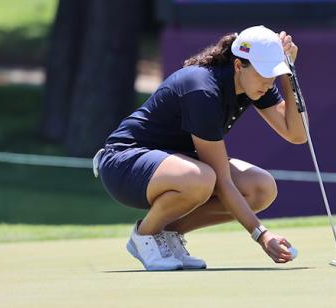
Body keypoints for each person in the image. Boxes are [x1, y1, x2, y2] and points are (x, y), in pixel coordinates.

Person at [93, 25, 307, 271]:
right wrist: (262, 235)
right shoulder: (202, 89)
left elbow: (297, 134)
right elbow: (222, 181)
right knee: (203, 178)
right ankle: (144, 235)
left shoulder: (255, 85)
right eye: (263, 73)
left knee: (261, 188)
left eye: (273, 74)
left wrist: (289, 74)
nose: (269, 82)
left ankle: (167, 235)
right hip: (123, 163)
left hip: (174, 165)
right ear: (239, 65)